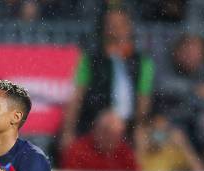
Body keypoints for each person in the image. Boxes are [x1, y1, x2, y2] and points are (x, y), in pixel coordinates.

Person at [60, 7, 154, 151]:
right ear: (103, 28)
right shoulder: (91, 59)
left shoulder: (142, 62)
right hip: (96, 123)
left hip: (129, 126)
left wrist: (140, 125)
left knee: (144, 136)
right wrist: (68, 131)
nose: (115, 29)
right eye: (111, 24)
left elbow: (143, 101)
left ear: (129, 28)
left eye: (120, 24)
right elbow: (77, 97)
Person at [61, 110, 138, 171]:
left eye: (117, 135)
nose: (110, 138)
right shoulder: (78, 150)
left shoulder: (125, 152)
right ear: (96, 129)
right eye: (107, 132)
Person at [134, 113, 204, 171]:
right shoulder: (134, 154)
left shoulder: (171, 153)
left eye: (163, 129)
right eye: (156, 129)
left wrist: (184, 145)